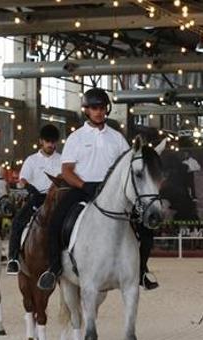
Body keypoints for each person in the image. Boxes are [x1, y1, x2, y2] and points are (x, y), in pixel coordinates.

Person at [37, 88, 159, 291]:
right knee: (55, 221)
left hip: (112, 193)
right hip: (82, 188)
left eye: (102, 108)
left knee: (146, 227)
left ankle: (142, 271)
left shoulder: (117, 138)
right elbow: (66, 171)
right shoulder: (76, 138)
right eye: (94, 108)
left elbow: (127, 166)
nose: (99, 112)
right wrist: (84, 185)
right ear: (87, 110)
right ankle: (54, 268)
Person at [6, 124, 62, 274]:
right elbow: (22, 179)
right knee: (18, 221)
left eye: (53, 141)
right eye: (48, 141)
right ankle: (13, 258)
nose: (51, 145)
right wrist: (30, 188)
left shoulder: (62, 159)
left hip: (56, 199)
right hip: (36, 197)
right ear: (41, 141)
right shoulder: (31, 160)